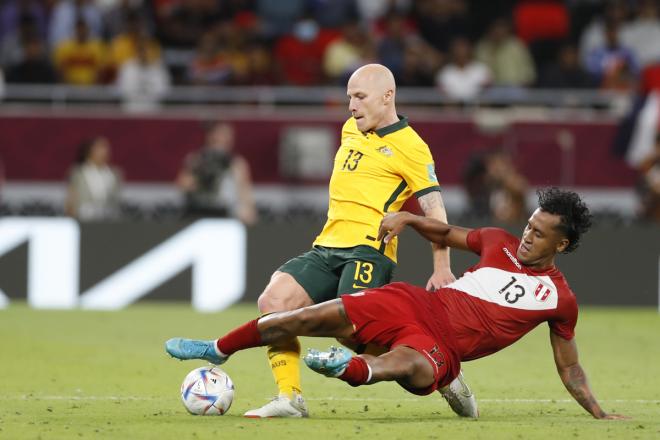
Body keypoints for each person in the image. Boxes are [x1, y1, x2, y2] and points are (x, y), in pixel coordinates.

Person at [166, 188, 627, 420]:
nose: (527, 235)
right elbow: (447, 234)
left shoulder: (560, 299)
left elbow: (569, 367)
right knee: (307, 316)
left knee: (408, 364)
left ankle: (348, 368)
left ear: (561, 244)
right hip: (415, 303)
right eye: (529, 225)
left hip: (443, 346)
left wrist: (599, 413)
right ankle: (219, 347)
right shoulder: (497, 242)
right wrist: (410, 217)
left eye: (540, 232)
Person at [189, 63, 460, 419]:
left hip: (369, 250)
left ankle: (441, 370)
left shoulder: (412, 147)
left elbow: (434, 208)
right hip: (327, 246)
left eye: (360, 97)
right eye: (349, 97)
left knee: (351, 334)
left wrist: (442, 266)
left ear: (387, 96)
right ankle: (290, 398)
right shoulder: (352, 128)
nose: (351, 105)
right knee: (274, 301)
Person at [176, 122, 257, 225]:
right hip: (197, 211)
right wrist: (202, 176)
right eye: (218, 135)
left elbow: (244, 189)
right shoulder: (196, 159)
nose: (221, 139)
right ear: (209, 136)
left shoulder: (237, 163)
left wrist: (249, 209)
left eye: (226, 135)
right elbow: (183, 184)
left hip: (225, 213)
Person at [65, 136, 122, 220]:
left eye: (106, 148)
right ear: (89, 150)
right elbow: (71, 198)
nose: (105, 151)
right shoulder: (78, 173)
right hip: (83, 219)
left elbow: (117, 199)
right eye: (100, 148)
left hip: (108, 218)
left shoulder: (114, 173)